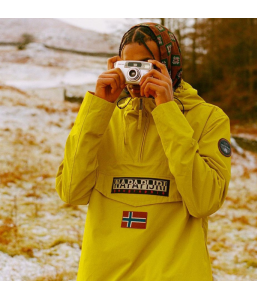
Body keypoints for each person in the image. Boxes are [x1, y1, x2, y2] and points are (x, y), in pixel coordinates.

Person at [55, 22, 231, 281]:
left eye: (146, 65)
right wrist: (98, 107)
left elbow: (204, 202)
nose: (137, 74)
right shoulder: (105, 116)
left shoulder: (208, 119)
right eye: (129, 66)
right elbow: (71, 191)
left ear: (170, 65)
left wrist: (167, 111)